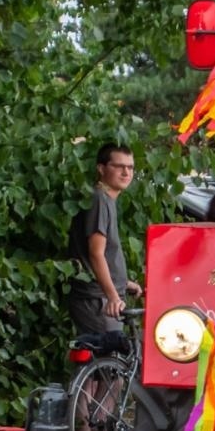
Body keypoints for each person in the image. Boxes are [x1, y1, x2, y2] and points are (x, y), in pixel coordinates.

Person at [68, 143, 141, 335]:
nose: (126, 172)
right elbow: (96, 252)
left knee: (112, 361)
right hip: (97, 300)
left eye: (130, 167)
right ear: (101, 168)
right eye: (119, 166)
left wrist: (123, 282)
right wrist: (113, 297)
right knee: (111, 362)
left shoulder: (106, 199)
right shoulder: (99, 199)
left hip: (102, 296)